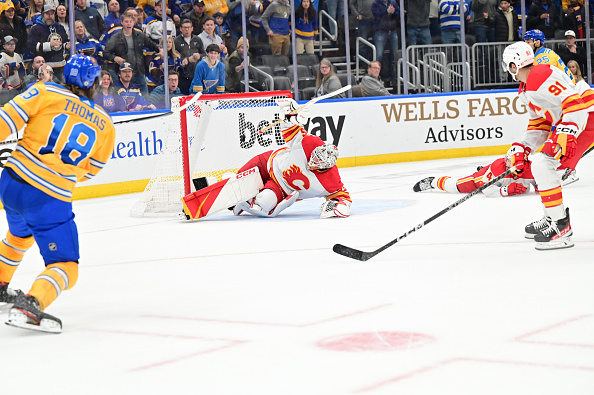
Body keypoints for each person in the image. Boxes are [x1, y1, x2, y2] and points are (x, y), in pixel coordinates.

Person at [0, 54, 115, 333]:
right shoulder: (105, 124)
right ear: (93, 83)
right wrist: (61, 174)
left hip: (11, 183)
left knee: (20, 235)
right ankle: (32, 304)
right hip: (48, 198)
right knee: (65, 265)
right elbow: (91, 171)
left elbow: (5, 121)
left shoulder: (44, 90)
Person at [501, 41, 594, 250]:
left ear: (514, 66)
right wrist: (523, 147)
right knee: (543, 166)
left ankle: (561, 228)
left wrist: (567, 131)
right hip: (577, 117)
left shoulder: (538, 75)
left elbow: (573, 102)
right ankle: (552, 217)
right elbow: (540, 123)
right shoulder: (527, 86)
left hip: (586, 116)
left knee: (544, 165)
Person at [232, 98, 352, 218]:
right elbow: (290, 130)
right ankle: (239, 197)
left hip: (282, 187)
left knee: (263, 202)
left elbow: (343, 196)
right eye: (315, 156)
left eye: (318, 161)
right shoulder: (310, 144)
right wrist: (291, 117)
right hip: (270, 162)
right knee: (236, 182)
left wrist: (338, 206)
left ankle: (245, 202)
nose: (313, 160)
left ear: (326, 166)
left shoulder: (330, 179)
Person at [413, 155, 535, 197]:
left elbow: (542, 184)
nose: (507, 163)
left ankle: (485, 170)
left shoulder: (531, 169)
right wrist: (505, 190)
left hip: (493, 176)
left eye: (511, 161)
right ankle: (433, 182)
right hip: (482, 178)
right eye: (507, 160)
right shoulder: (498, 167)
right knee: (456, 186)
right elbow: (486, 189)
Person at [103, 10, 163, 96]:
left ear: (134, 23)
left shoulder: (140, 35)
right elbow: (106, 53)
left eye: (130, 22)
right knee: (126, 98)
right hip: (124, 72)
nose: (128, 24)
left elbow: (152, 44)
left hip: (138, 71)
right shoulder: (115, 38)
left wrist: (160, 49)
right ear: (122, 23)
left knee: (144, 96)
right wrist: (114, 58)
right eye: (126, 22)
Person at [27, 5, 70, 81]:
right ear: (42, 14)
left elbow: (64, 42)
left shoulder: (59, 27)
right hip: (45, 68)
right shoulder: (36, 28)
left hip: (61, 65)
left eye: (52, 14)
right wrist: (49, 45)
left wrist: (67, 45)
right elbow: (31, 46)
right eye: (47, 14)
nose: (50, 16)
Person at [175, 18, 205, 94]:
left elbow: (204, 54)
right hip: (183, 75)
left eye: (188, 27)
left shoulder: (197, 39)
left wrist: (199, 56)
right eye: (185, 28)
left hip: (197, 75)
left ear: (192, 28)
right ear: (181, 29)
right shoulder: (176, 41)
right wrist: (185, 60)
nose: (187, 30)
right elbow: (174, 56)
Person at [372, 0, 399, 79]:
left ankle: (394, 76)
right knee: (379, 55)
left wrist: (393, 12)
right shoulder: (375, 4)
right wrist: (387, 12)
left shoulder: (393, 2)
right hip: (380, 32)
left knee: (395, 55)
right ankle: (376, 77)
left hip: (393, 32)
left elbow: (398, 14)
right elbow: (377, 17)